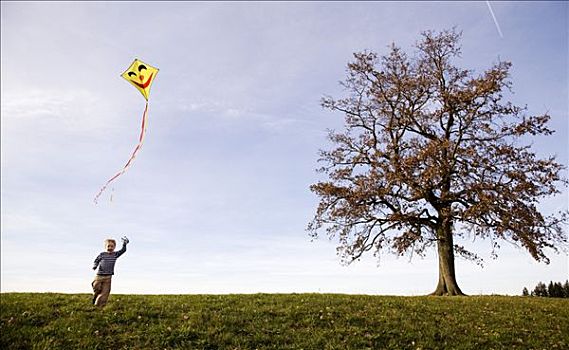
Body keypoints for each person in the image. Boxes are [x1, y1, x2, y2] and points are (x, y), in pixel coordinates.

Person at [91, 236, 129, 307]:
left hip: (108, 277)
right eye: (108, 246)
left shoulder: (115, 254)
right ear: (105, 246)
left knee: (105, 292)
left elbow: (123, 250)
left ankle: (99, 306)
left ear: (114, 247)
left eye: (112, 246)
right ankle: (95, 295)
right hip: (99, 276)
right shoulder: (102, 254)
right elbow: (96, 260)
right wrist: (95, 266)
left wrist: (124, 244)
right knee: (96, 287)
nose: (110, 248)